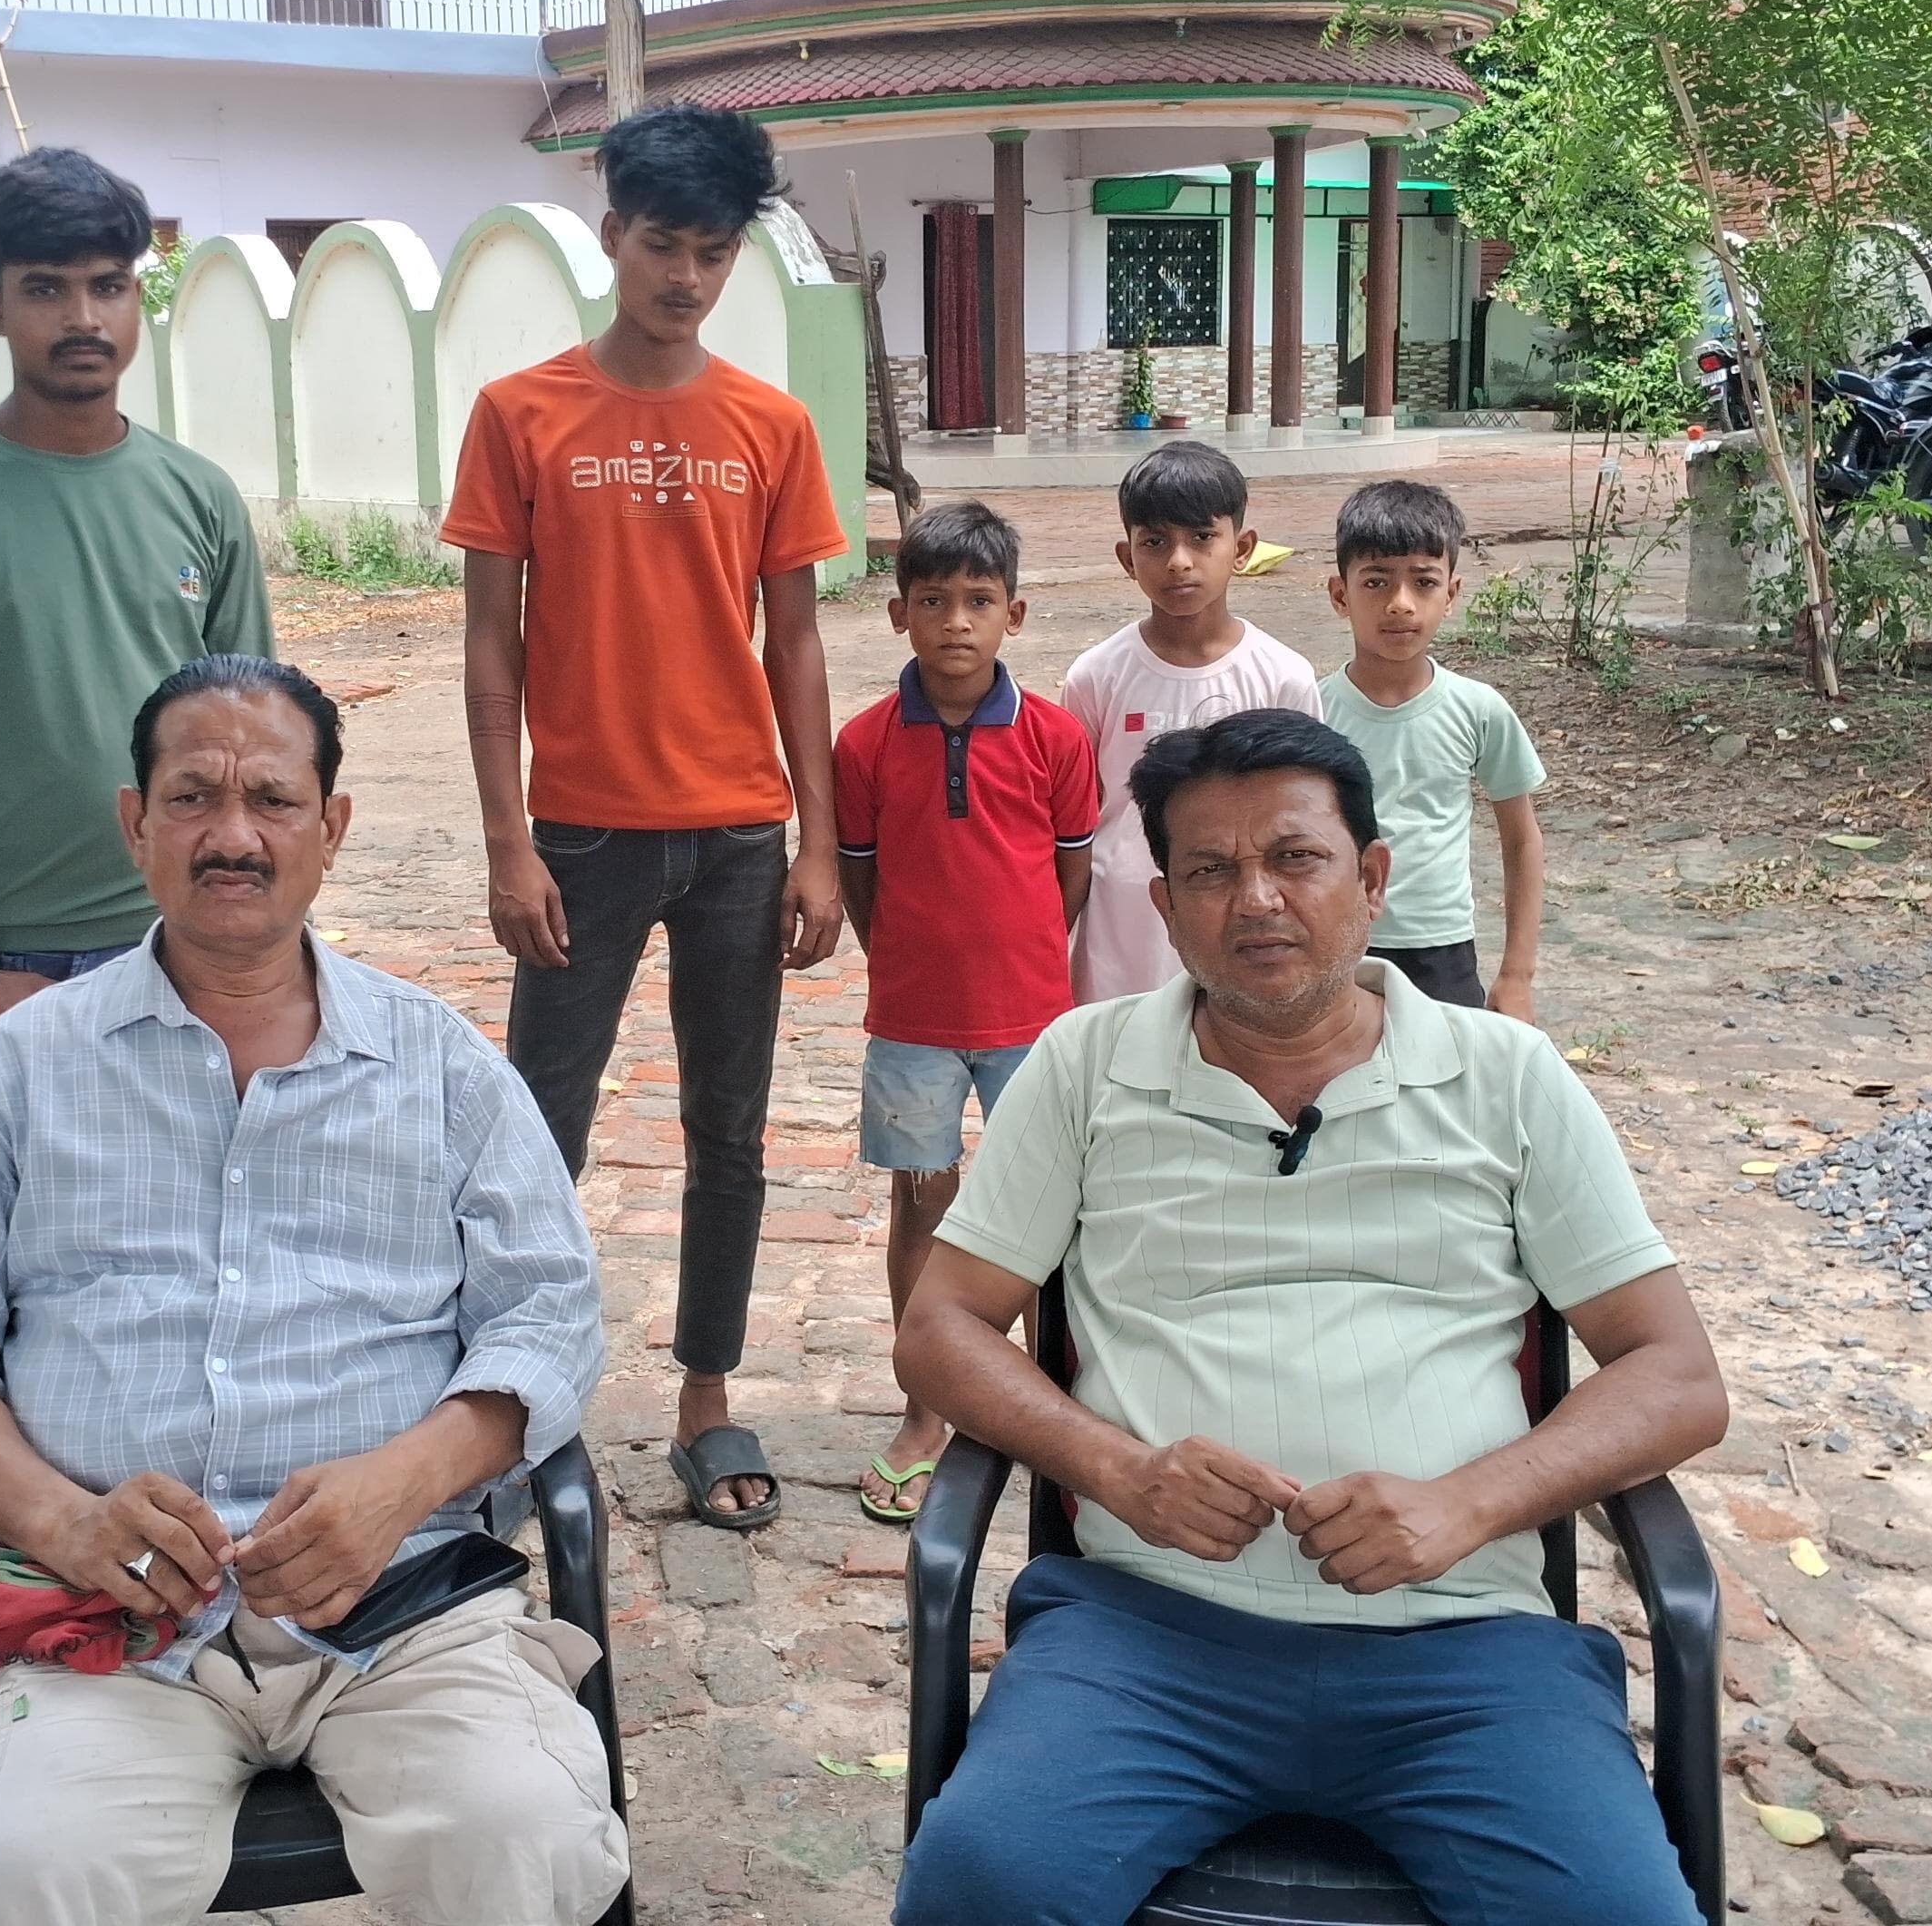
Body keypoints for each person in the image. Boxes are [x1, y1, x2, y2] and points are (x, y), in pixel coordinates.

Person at [891, 709, 1726, 1926]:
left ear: (1371, 878)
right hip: (1143, 1642)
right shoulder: (1083, 1066)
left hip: (1465, 1655)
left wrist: (1465, 1505)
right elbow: (939, 1329)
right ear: (1164, 909)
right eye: (1209, 871)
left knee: (1617, 1914)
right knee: (982, 1881)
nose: (1256, 900)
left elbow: (1676, 1374)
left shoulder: (1503, 1077)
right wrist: (1118, 1471)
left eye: (1295, 858)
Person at [0, 654, 625, 1926]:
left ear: (331, 827)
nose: (233, 836)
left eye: (272, 799)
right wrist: (63, 1522)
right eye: (192, 797)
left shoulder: (440, 1064)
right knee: (15, 1869)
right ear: (135, 823)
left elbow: (547, 1315)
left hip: (400, 1605)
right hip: (109, 1624)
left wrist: (404, 1482)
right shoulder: (18, 1069)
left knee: (524, 1833)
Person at [444, 103, 846, 1531]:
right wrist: (507, 840)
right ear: (611, 234)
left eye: (713, 252)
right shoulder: (522, 415)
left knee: (728, 1129)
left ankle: (705, 1397)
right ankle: (510, 1403)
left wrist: (816, 842)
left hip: (737, 836)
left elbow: (796, 641)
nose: (685, 277)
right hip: (582, 837)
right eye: (662, 244)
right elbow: (489, 641)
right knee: (534, 1131)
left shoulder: (769, 425)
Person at [0, 149, 273, 1048]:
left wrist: (256, 938)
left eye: (107, 286)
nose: (83, 318)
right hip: (17, 953)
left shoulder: (199, 496)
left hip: (190, 936)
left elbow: (259, 739)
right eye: (44, 289)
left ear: (136, 297)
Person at [834, 502, 1098, 1522]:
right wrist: (909, 965)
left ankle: (1044, 1401)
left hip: (1032, 1020)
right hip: (912, 1023)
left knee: (1046, 1212)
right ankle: (926, 1409)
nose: (955, 621)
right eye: (933, 600)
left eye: (978, 601)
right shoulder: (863, 744)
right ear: (898, 612)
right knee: (922, 1205)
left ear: (1013, 614)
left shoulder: (1054, 738)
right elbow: (862, 882)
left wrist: (1019, 963)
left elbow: (1069, 875)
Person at [1061, 439, 1318, 1004]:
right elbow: (1075, 815)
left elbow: (1301, 814)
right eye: (1155, 542)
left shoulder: (1283, 678)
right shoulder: (1095, 677)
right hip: (1120, 924)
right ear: (1127, 557)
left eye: (1202, 537)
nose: (1179, 560)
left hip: (1243, 914)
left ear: (1242, 548)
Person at [1319, 481, 1546, 1017]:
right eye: (1376, 582)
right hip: (1334, 942)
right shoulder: (1312, 710)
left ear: (1452, 594)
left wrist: (1517, 974)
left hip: (1441, 950)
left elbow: (1522, 840)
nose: (1400, 604)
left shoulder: (1479, 710)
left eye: (1423, 582)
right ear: (1340, 595)